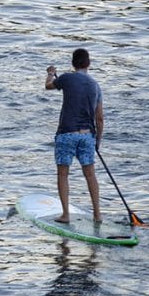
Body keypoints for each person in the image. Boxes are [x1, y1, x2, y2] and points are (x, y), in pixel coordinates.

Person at [44, 48, 103, 223]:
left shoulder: (66, 78)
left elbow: (48, 86)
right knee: (90, 174)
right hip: (87, 136)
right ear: (88, 64)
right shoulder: (95, 85)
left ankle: (65, 215)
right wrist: (97, 141)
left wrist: (51, 73)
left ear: (73, 63)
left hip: (66, 134)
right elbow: (99, 118)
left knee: (63, 174)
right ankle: (97, 214)